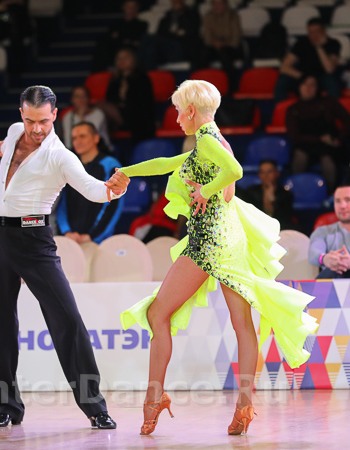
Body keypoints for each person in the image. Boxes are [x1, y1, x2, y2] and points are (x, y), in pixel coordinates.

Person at [105, 80, 318, 436]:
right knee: (243, 325)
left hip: (209, 241)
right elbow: (167, 163)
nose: (176, 118)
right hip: (228, 239)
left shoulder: (206, 139)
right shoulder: (213, 140)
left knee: (158, 313)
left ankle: (154, 398)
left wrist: (204, 190)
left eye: (178, 111)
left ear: (190, 110)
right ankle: (244, 407)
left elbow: (235, 172)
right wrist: (128, 172)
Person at [0, 85, 127, 429]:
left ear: (55, 115)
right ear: (21, 114)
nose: (36, 129)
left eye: (44, 121)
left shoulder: (61, 156)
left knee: (67, 320)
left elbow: (92, 188)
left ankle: (95, 408)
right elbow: (12, 158)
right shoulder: (14, 133)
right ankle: (7, 407)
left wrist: (112, 190)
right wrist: (5, 150)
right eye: (31, 120)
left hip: (34, 240)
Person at [57, 121, 123, 244]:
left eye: (82, 136)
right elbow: (62, 203)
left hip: (100, 242)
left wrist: (92, 236)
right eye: (74, 138)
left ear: (96, 138)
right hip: (72, 239)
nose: (77, 141)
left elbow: (114, 205)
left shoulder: (111, 165)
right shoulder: (69, 167)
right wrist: (67, 232)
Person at [286, 75, 350, 194]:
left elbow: (347, 121)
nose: (308, 88)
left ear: (318, 87)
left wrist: (339, 139)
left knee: (327, 159)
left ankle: (331, 195)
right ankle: (296, 193)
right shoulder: (293, 109)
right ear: (299, 87)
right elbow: (295, 136)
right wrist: (320, 139)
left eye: (312, 85)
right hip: (305, 143)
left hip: (328, 145)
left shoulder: (328, 103)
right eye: (305, 84)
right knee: (299, 155)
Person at [274, 17, 341, 102]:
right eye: (311, 32)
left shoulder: (333, 43)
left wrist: (319, 47)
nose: (314, 35)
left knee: (331, 82)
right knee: (282, 81)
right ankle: (282, 109)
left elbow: (329, 69)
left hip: (321, 76)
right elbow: (284, 67)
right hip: (302, 75)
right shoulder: (302, 43)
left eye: (316, 31)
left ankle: (333, 109)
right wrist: (303, 77)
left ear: (324, 31)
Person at [99, 47, 155, 144]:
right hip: (117, 114)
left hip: (136, 115)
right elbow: (109, 99)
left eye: (125, 58)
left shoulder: (142, 78)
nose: (122, 61)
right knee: (100, 110)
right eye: (119, 58)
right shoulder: (115, 79)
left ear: (133, 59)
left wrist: (126, 94)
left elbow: (143, 102)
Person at [138, 0, 201, 70]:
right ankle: (147, 72)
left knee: (147, 38)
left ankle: (137, 65)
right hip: (167, 49)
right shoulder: (167, 16)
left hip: (182, 48)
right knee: (150, 49)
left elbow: (190, 33)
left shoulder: (191, 14)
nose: (176, 2)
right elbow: (160, 34)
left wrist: (180, 13)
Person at [91, 0, 148, 72]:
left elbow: (138, 42)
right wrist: (125, 40)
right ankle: (99, 74)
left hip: (133, 52)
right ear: (123, 7)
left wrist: (122, 39)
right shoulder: (116, 25)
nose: (131, 9)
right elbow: (109, 39)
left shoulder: (142, 25)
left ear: (137, 8)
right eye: (128, 7)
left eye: (133, 7)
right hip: (115, 51)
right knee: (103, 44)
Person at [309, 185, 350, 278]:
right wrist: (324, 258)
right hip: (333, 280)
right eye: (338, 201)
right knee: (331, 271)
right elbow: (313, 254)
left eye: (348, 200)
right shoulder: (322, 231)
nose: (342, 206)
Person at [201, 0, 243, 90]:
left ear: (225, 4)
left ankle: (230, 87)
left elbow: (236, 37)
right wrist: (215, 43)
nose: (218, 6)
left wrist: (224, 44)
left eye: (220, 4)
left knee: (224, 54)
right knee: (203, 54)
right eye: (215, 4)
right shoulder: (208, 16)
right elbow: (207, 37)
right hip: (213, 46)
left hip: (230, 47)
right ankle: (202, 86)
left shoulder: (233, 16)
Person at [241, 159, 294, 230]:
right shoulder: (250, 193)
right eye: (262, 172)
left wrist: (273, 202)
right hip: (256, 228)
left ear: (277, 173)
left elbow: (284, 219)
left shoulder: (286, 195)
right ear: (259, 174)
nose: (266, 175)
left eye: (269, 171)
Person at [61, 85, 112, 153]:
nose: (81, 100)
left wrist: (82, 116)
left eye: (84, 96)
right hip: (77, 152)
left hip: (101, 151)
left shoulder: (98, 114)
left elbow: (89, 138)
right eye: (77, 96)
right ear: (72, 100)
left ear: (88, 98)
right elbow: (68, 143)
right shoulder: (68, 116)